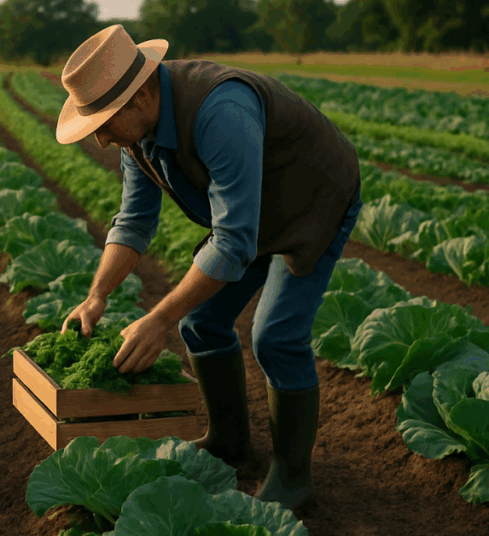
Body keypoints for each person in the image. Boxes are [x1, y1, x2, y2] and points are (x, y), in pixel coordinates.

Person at [55, 25, 363, 511]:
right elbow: (134, 221)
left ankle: (292, 477)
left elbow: (234, 242)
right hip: (251, 210)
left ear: (139, 98)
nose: (100, 139)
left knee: (276, 336)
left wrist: (159, 318)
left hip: (312, 201)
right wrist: (97, 296)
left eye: (104, 123)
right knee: (202, 320)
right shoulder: (138, 135)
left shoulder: (222, 110)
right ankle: (229, 441)